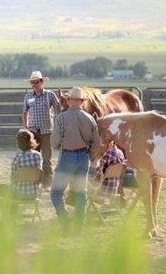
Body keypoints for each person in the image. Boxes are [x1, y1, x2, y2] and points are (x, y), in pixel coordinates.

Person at [50, 87, 101, 235]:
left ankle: (66, 222)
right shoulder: (90, 118)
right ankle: (78, 227)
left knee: (56, 193)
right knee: (81, 194)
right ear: (81, 102)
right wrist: (89, 154)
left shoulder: (61, 118)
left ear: (69, 100)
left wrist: (61, 144)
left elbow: (54, 143)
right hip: (83, 157)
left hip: (67, 156)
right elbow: (96, 143)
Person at [22, 71, 60, 189]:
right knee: (34, 156)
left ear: (41, 82)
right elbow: (24, 112)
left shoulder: (50, 95)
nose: (34, 84)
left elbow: (59, 110)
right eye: (32, 82)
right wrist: (26, 127)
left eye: (36, 82)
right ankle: (35, 182)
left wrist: (58, 126)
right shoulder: (28, 96)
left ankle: (47, 183)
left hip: (47, 131)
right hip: (33, 132)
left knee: (47, 158)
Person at [0, 129, 43, 215]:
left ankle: (5, 215)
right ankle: (12, 213)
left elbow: (13, 178)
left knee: (2, 187)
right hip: (34, 194)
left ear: (18, 143)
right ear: (31, 140)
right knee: (16, 186)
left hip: (19, 195)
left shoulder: (17, 157)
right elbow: (39, 174)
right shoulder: (38, 155)